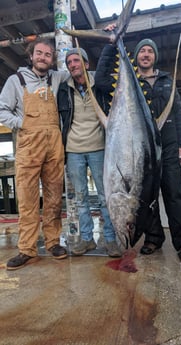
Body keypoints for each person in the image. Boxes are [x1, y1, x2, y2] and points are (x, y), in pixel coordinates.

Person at [95, 28, 181, 259]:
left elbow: (177, 113)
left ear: (154, 57)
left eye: (150, 51)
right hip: (141, 149)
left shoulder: (166, 80)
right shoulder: (129, 80)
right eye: (142, 51)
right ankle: (153, 239)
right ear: (137, 56)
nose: (146, 54)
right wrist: (112, 45)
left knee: (175, 193)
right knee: (145, 196)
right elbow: (99, 80)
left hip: (167, 146)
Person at [0, 38, 69, 270]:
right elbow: (2, 110)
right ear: (31, 56)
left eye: (48, 54)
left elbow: (81, 70)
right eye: (39, 53)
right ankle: (27, 249)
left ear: (52, 59)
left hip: (54, 147)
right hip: (28, 147)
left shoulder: (56, 78)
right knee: (28, 200)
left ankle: (53, 243)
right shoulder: (16, 80)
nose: (43, 57)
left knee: (53, 197)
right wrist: (22, 124)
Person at [57, 47, 121, 257]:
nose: (73, 65)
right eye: (69, 63)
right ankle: (87, 239)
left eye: (76, 61)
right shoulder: (63, 89)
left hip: (100, 149)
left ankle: (110, 240)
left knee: (105, 196)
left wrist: (110, 45)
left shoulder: (100, 86)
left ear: (86, 63)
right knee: (81, 198)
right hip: (74, 150)